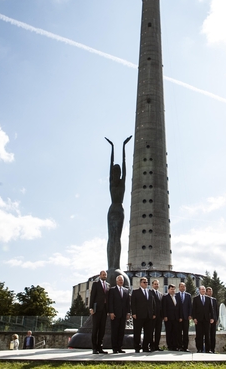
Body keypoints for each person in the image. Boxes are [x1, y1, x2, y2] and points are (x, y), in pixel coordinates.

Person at [105, 136, 132, 270]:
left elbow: (124, 164)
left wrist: (123, 147)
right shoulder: (112, 182)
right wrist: (112, 148)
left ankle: (116, 265)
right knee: (111, 237)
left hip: (119, 210)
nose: (117, 172)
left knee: (117, 238)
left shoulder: (122, 182)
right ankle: (111, 265)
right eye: (115, 171)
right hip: (113, 210)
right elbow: (111, 164)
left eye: (118, 171)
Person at [131, 277, 156, 352]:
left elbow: (153, 304)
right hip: (139, 315)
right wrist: (134, 313)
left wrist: (153, 313)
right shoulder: (135, 292)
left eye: (147, 282)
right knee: (137, 332)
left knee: (148, 332)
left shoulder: (150, 292)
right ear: (140, 283)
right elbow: (133, 304)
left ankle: (145, 347)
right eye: (144, 282)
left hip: (148, 316)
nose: (146, 284)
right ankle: (137, 347)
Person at [108, 274, 130, 354]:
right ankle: (114, 348)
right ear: (117, 281)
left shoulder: (126, 290)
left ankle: (120, 347)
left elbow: (128, 303)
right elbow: (110, 302)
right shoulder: (112, 290)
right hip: (115, 314)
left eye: (122, 280)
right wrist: (111, 312)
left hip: (123, 314)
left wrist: (128, 313)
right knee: (114, 331)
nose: (121, 281)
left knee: (121, 331)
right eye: (119, 280)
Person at [89, 270, 110, 354]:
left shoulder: (108, 285)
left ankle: (100, 347)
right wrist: (91, 307)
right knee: (95, 329)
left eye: (105, 275)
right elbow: (92, 296)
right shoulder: (96, 284)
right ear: (100, 275)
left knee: (102, 329)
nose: (104, 276)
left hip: (104, 310)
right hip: (97, 309)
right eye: (103, 274)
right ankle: (94, 348)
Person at [192, 285, 214, 353]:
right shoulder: (195, 299)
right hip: (199, 320)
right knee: (199, 335)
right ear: (199, 290)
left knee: (207, 335)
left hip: (207, 320)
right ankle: (199, 349)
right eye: (202, 289)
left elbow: (211, 309)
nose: (203, 291)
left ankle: (208, 349)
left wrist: (212, 318)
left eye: (204, 290)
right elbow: (193, 309)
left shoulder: (208, 298)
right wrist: (194, 318)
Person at [162, 284, 182, 351]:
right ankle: (170, 346)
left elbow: (179, 308)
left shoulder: (177, 297)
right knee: (169, 332)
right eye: (171, 289)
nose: (173, 290)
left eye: (173, 289)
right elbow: (164, 307)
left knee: (175, 332)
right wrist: (165, 316)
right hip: (168, 318)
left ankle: (175, 346)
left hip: (176, 318)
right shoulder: (165, 297)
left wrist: (180, 317)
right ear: (168, 290)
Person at [175, 282, 192, 351]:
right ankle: (179, 346)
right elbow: (176, 308)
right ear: (179, 287)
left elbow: (190, 306)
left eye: (183, 286)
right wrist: (178, 317)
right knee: (178, 333)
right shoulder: (176, 295)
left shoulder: (188, 295)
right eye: (181, 286)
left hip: (186, 317)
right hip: (179, 318)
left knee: (185, 333)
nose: (182, 287)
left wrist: (190, 315)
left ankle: (185, 347)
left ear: (185, 287)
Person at [150, 279, 164, 351]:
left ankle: (156, 346)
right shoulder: (149, 293)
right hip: (152, 316)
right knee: (151, 331)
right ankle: (151, 346)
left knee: (158, 332)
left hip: (159, 317)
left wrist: (162, 316)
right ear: (152, 285)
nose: (156, 285)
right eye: (155, 284)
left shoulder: (160, 294)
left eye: (157, 284)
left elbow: (161, 306)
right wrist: (152, 314)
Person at [206, 286, 219, 353]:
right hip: (207, 320)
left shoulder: (214, 300)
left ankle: (213, 349)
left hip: (214, 320)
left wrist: (216, 319)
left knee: (213, 335)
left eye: (211, 291)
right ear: (206, 292)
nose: (210, 292)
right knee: (207, 335)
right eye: (208, 291)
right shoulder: (204, 299)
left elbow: (216, 310)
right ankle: (208, 349)